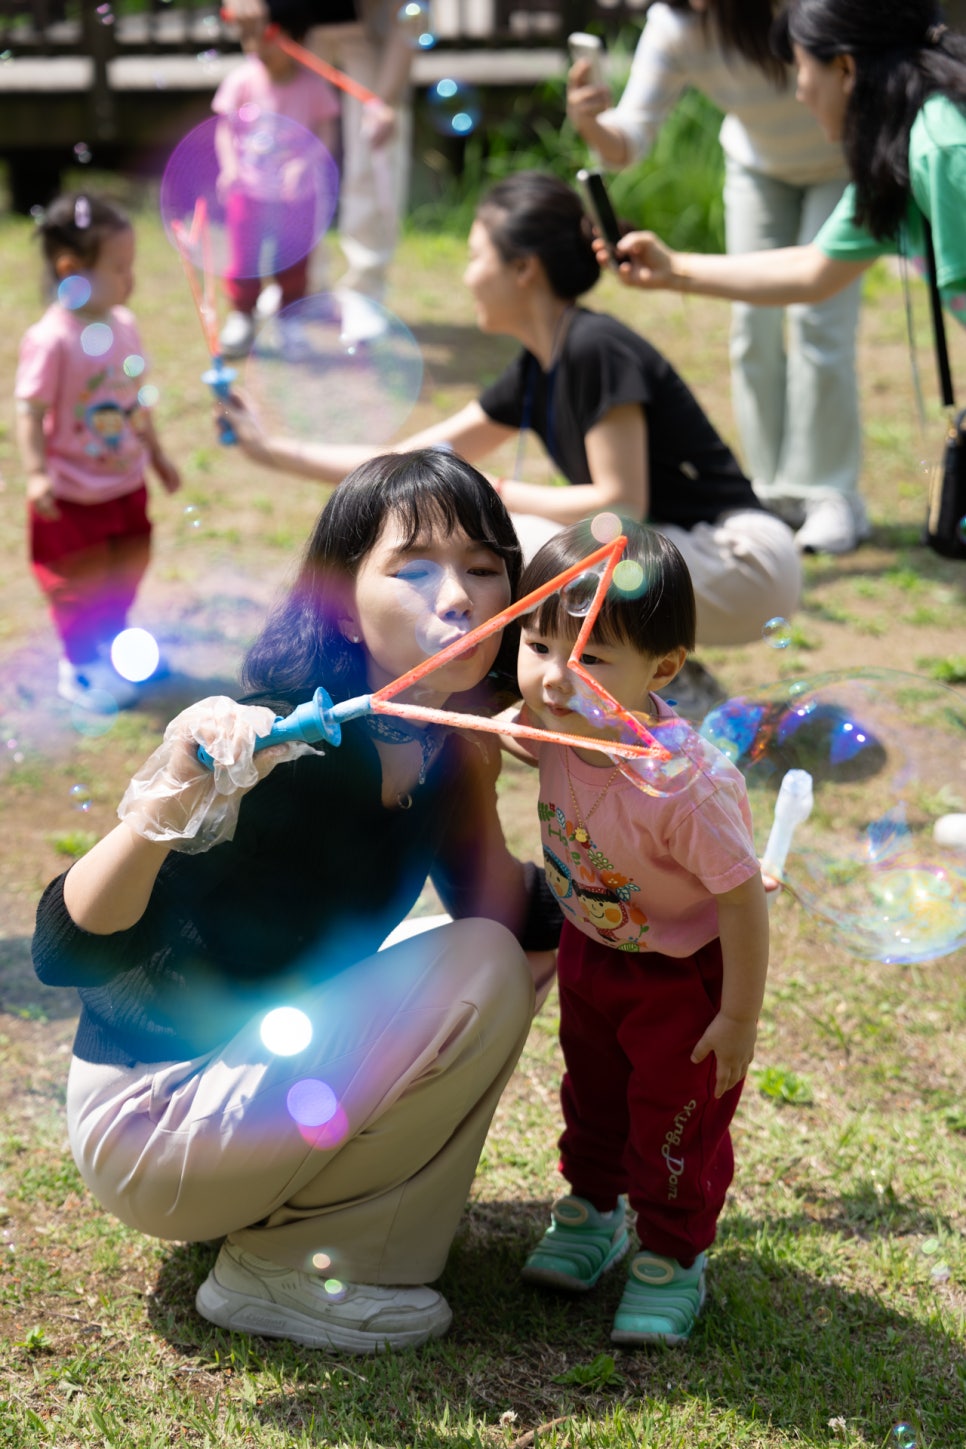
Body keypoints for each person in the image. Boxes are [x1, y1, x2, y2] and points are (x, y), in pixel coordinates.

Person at [31, 448, 561, 1354]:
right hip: (153, 1115)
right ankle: (284, 1270)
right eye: (416, 566)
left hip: (247, 1088)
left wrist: (602, 803)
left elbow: (515, 923)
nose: (460, 594)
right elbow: (63, 951)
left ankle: (307, 1232)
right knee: (478, 967)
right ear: (343, 600)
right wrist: (166, 798)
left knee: (497, 956)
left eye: (484, 566)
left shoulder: (444, 746)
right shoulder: (274, 735)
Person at [224, 171, 803, 720]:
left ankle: (664, 684)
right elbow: (406, 465)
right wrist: (271, 449)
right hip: (688, 558)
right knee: (506, 536)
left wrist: (498, 491)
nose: (467, 274)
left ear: (523, 268)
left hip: (743, 560)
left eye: (477, 257)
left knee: (512, 540)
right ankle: (666, 678)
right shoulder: (539, 368)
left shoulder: (593, 347)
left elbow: (620, 501)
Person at [509, 520, 768, 1346]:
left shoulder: (685, 787)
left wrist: (737, 1017)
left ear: (662, 669)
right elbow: (521, 719)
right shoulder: (549, 722)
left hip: (680, 978)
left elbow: (742, 901)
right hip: (593, 951)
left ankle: (670, 1253)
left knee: (671, 1118)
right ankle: (593, 1210)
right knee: (591, 1090)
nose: (554, 677)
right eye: (539, 643)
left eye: (589, 656)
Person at [566, 0, 868, 556]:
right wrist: (592, 122)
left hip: (842, 162)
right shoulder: (676, 25)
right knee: (752, 324)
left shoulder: (799, 10)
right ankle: (773, 491)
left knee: (820, 324)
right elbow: (629, 141)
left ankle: (828, 491)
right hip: (758, 166)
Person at [604, 3, 966, 331]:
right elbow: (813, 270)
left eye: (802, 69)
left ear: (845, 68)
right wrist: (674, 268)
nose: (800, 93)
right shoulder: (896, 148)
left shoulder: (942, 151)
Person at [14, 192, 181, 711]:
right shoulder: (52, 339)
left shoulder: (124, 325)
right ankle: (80, 665)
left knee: (125, 569)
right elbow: (29, 410)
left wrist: (156, 454)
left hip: (124, 485)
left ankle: (112, 642)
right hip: (72, 496)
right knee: (76, 585)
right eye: (119, 267)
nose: (130, 279)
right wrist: (37, 472)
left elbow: (135, 401)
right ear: (72, 269)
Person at [225, 0, 417, 344]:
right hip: (295, 27)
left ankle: (364, 289)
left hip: (371, 33)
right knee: (282, 150)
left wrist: (383, 102)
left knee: (373, 151)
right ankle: (301, 285)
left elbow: (409, 20)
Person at [213, 0, 340, 360]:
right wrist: (230, 167)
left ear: (295, 40)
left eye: (268, 36)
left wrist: (304, 163)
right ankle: (242, 315)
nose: (257, 46)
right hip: (249, 192)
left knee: (294, 261)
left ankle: (290, 320)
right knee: (243, 258)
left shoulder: (313, 86)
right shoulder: (242, 80)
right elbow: (225, 129)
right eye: (250, 37)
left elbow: (326, 135)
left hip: (297, 196)